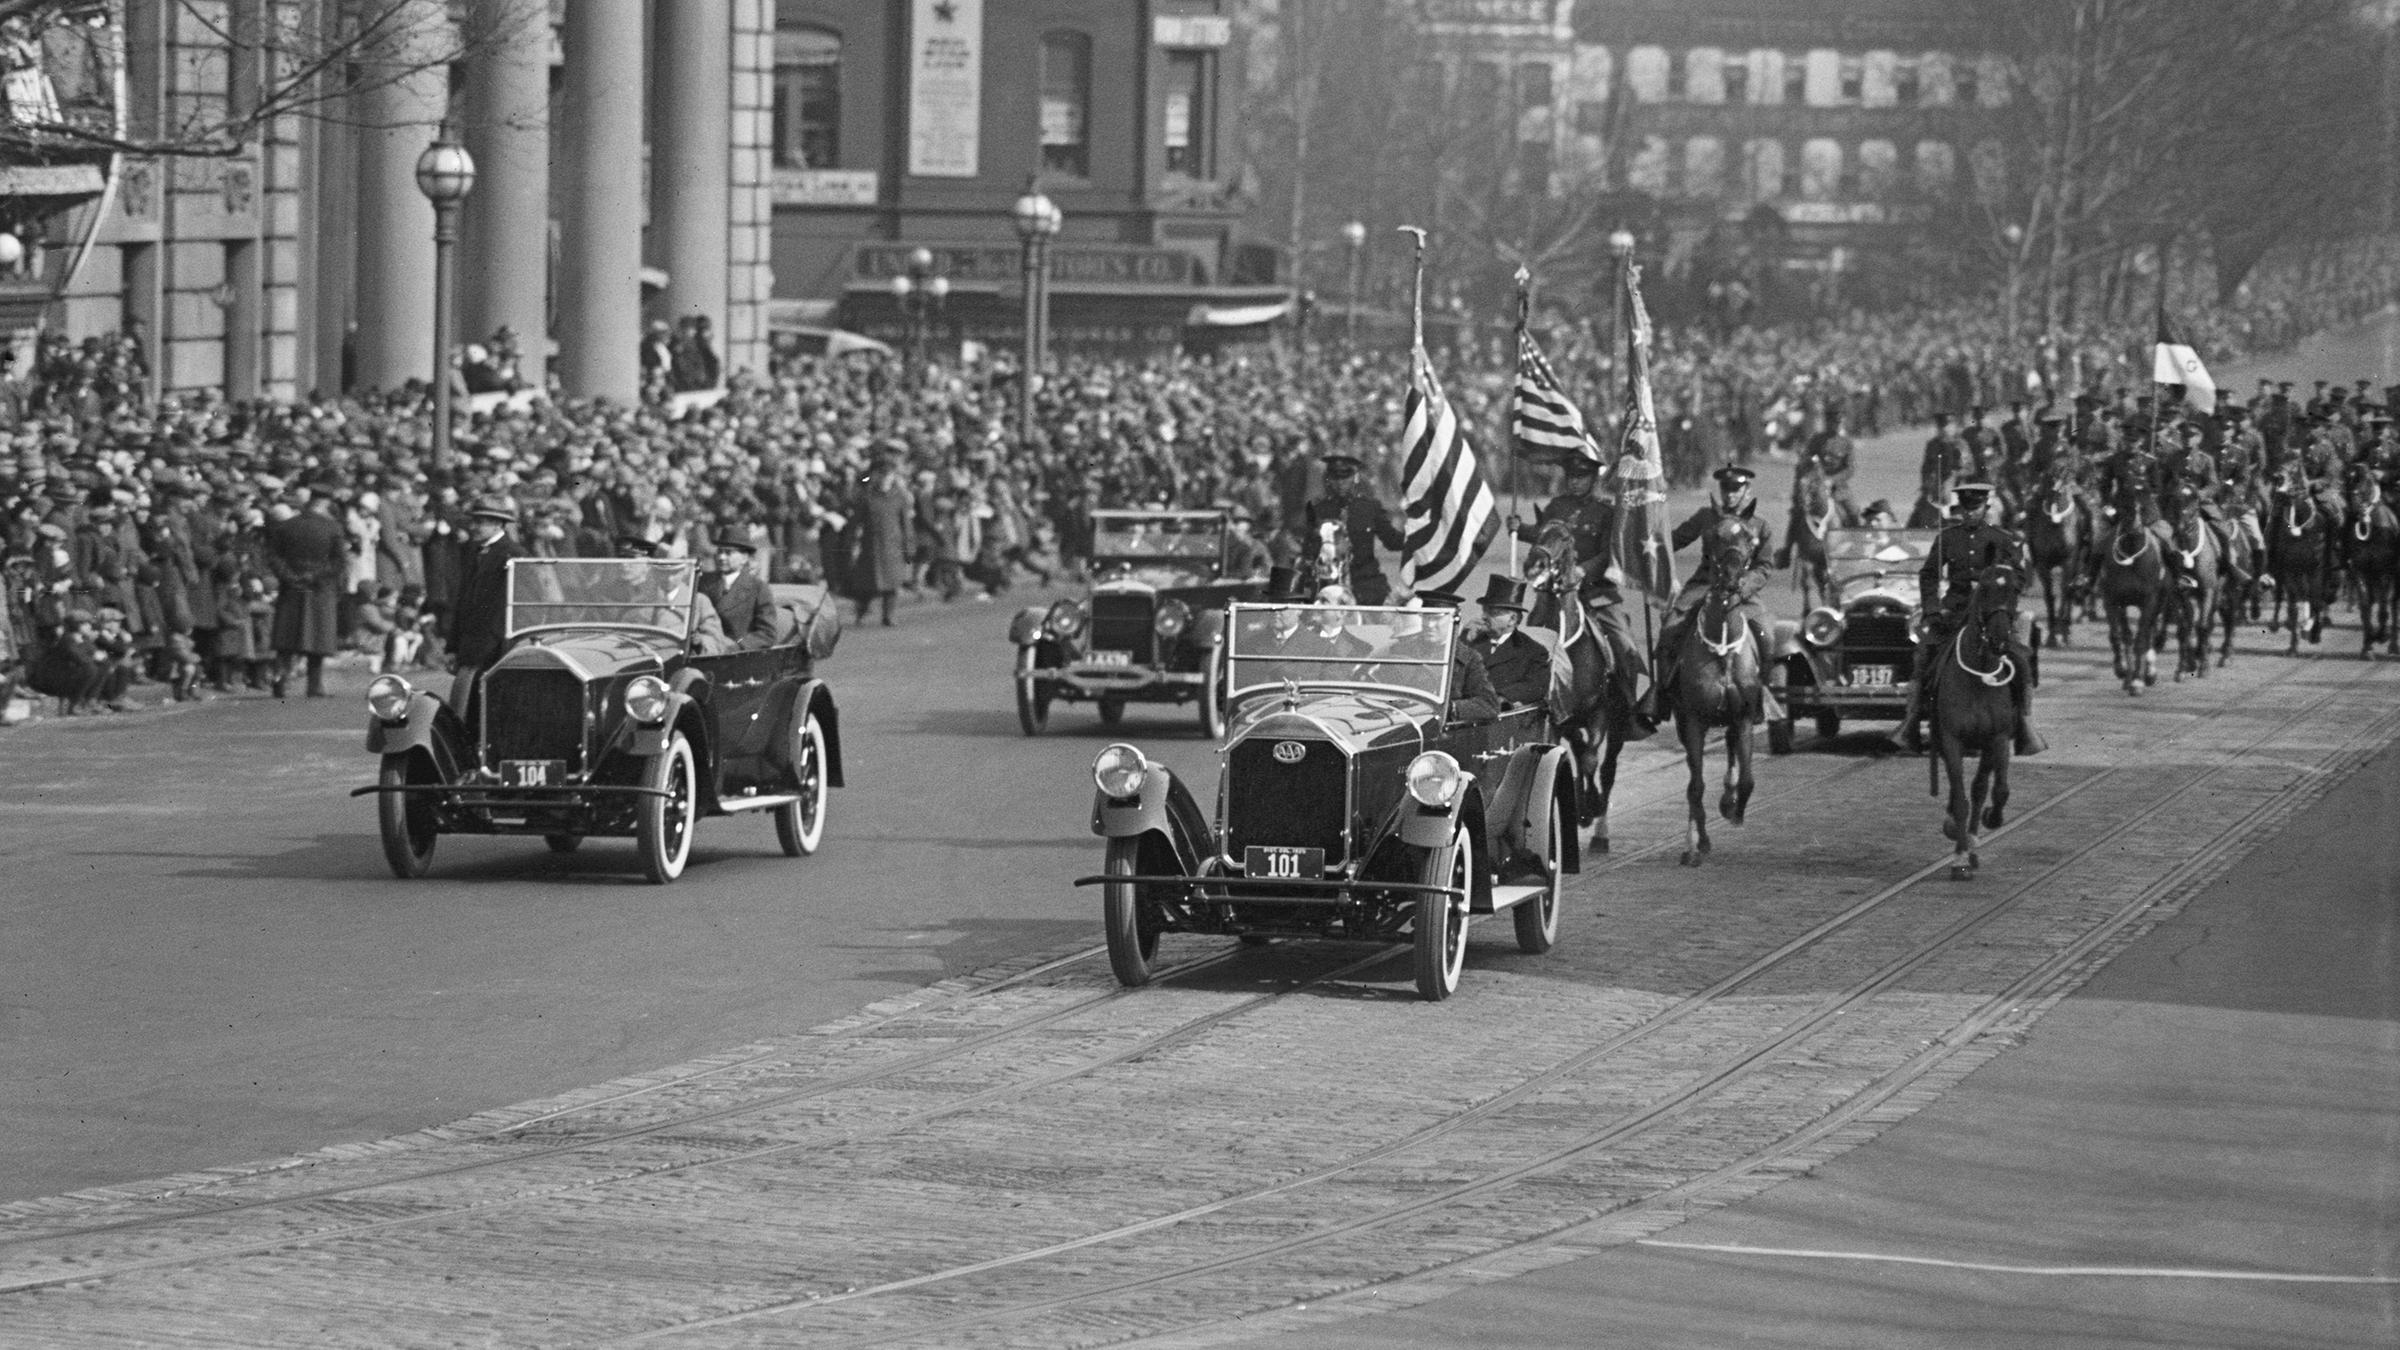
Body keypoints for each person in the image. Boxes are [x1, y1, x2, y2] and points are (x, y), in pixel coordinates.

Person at [1894, 483, 2042, 757]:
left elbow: (2021, 577)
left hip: (1992, 612)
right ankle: (1911, 723)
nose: (1970, 514)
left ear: (1986, 508)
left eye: (1976, 508)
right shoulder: (1948, 538)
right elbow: (1929, 575)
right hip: (1955, 610)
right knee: (1924, 656)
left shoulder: (2002, 538)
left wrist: (2000, 588)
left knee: (2020, 659)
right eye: (1966, 509)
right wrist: (1932, 610)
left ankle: (2024, 723)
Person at [1636, 465, 1775, 730]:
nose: (1731, 494)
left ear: (1747, 490)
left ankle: (1762, 696)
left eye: (1736, 489)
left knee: (1767, 636)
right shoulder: (1706, 517)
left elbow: (1765, 567)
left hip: (1743, 592)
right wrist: (1648, 537)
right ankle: (1662, 695)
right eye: (1726, 489)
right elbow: (1673, 540)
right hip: (1704, 586)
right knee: (1669, 630)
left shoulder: (1760, 525)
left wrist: (1745, 584)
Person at [262, 482, 349, 698]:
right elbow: (339, 562)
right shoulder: (332, 528)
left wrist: (289, 575)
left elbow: (273, 556)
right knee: (318, 637)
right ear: (326, 502)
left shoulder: (287, 526)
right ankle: (315, 684)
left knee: (287, 636)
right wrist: (315, 575)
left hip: (291, 586)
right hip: (320, 587)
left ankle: (280, 677)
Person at [444, 493, 523, 710]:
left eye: (481, 522)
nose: (474, 527)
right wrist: (453, 646)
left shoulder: (513, 554)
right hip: (471, 647)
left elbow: (503, 610)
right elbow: (463, 602)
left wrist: (487, 646)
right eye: (474, 521)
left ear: (498, 524)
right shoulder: (474, 551)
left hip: (494, 649)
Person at [1301, 452, 1405, 604]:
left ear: (1355, 478)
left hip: (1366, 583)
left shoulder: (1369, 507)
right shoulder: (1317, 510)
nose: (1341, 483)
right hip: (1329, 585)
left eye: (1345, 477)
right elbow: (1308, 550)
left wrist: (1417, 531)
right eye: (1336, 478)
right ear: (1328, 480)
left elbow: (1393, 542)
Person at [1410, 588, 1500, 724]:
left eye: (1436, 618)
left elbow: (1488, 705)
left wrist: (1450, 708)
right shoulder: (1405, 650)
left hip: (1440, 732)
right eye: (1426, 617)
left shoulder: (1469, 658)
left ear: (1453, 620)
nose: (1429, 625)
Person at [1469, 573, 1551, 711]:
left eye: (1492, 612)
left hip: (1501, 721)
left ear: (1512, 619)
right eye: (1484, 610)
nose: (1484, 616)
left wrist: (1502, 697)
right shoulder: (1471, 642)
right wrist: (1462, 638)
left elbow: (1536, 686)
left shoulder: (1533, 651)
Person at [699, 526, 780, 650]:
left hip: (736, 657)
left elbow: (767, 633)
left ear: (744, 558)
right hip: (702, 649)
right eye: (720, 552)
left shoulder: (758, 588)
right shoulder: (702, 581)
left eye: (728, 553)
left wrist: (738, 646)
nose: (721, 557)